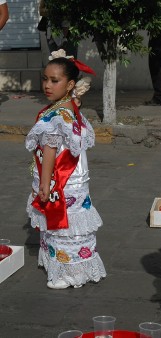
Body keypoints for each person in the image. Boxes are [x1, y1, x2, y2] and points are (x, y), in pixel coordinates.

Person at [25, 49, 106, 289]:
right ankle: (60, 262)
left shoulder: (57, 114)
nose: (47, 85)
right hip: (75, 176)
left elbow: (50, 150)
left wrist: (44, 182)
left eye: (54, 80)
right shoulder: (68, 107)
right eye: (45, 79)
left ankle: (71, 272)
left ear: (70, 84)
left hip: (63, 178)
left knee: (64, 222)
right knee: (65, 222)